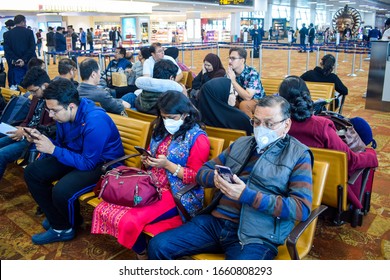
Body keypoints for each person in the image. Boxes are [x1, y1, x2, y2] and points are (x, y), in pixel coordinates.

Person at [148, 95, 313, 260]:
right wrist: (216, 179)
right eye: (256, 122)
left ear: (287, 124)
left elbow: (301, 208)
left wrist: (246, 195)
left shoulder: (298, 155)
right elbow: (202, 172)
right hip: (215, 223)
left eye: (269, 124)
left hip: (256, 235)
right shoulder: (241, 144)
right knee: (158, 246)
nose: (261, 128)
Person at [91, 90, 210, 259]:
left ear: (185, 114)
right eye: (164, 116)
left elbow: (197, 176)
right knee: (108, 207)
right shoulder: (160, 129)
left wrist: (168, 165)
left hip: (178, 193)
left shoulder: (197, 138)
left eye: (172, 117)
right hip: (151, 184)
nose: (167, 121)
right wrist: (147, 159)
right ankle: (141, 249)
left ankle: (143, 253)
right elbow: (151, 151)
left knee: (129, 219)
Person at [24, 78, 124, 245]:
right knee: (32, 172)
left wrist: (53, 149)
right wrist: (42, 140)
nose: (50, 115)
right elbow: (63, 146)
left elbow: (88, 163)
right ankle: (58, 218)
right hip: (78, 156)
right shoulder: (65, 116)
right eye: (49, 110)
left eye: (54, 111)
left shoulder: (95, 120)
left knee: (62, 190)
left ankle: (64, 228)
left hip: (103, 164)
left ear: (71, 106)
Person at [278, 75, 378, 210]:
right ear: (307, 95)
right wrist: (371, 155)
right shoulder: (321, 125)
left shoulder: (277, 126)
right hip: (328, 188)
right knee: (367, 152)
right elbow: (350, 160)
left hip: (288, 185)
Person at [0, 67, 54, 180]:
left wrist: (24, 131)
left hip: (35, 140)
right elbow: (28, 119)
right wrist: (21, 128)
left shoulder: (55, 100)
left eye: (34, 91)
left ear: (45, 85)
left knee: (2, 154)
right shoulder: (36, 97)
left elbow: (51, 130)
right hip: (25, 133)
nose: (32, 94)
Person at [226, 47, 265, 118]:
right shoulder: (231, 72)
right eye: (229, 58)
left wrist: (233, 81)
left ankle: (248, 127)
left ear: (242, 60)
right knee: (226, 100)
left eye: (233, 58)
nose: (229, 61)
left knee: (244, 105)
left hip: (257, 101)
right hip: (240, 99)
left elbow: (248, 97)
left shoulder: (252, 73)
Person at [3, 15, 37, 89]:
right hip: (28, 62)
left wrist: (17, 59)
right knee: (30, 84)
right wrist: (23, 59)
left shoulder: (7, 34)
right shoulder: (29, 32)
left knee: (15, 86)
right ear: (22, 22)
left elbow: (7, 49)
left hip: (14, 64)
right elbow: (32, 47)